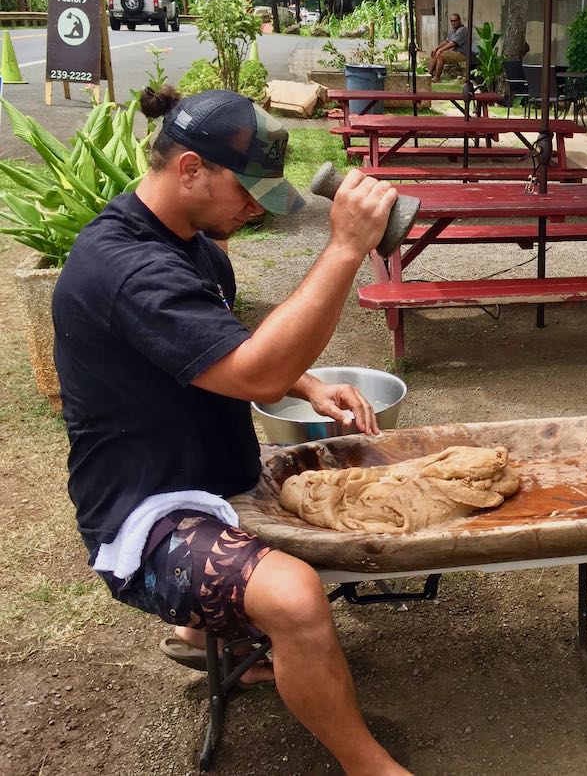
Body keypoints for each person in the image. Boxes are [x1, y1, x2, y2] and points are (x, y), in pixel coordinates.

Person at [52, 87, 411, 776]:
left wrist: (308, 384)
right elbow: (253, 373)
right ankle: (370, 767)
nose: (257, 209)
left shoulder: (195, 246)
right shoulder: (126, 267)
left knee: (359, 481)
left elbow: (217, 346)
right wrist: (344, 248)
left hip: (212, 477)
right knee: (295, 599)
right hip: (145, 511)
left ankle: (204, 630)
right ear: (190, 169)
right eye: (248, 191)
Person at [430, 12, 469, 80]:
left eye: (455, 20)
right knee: (435, 54)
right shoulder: (452, 31)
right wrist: (436, 49)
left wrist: (440, 50)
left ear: (459, 21)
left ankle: (437, 77)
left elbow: (453, 43)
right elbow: (447, 41)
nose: (453, 23)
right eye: (452, 21)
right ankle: (429, 75)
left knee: (441, 56)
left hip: (463, 54)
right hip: (455, 53)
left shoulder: (463, 30)